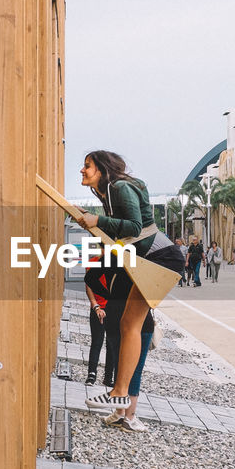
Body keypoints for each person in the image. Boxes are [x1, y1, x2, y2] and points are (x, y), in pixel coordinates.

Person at [76, 150, 185, 433]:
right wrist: (94, 223)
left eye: (87, 166)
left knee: (133, 324)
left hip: (161, 258)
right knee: (128, 324)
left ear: (101, 168)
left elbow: (135, 227)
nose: (82, 170)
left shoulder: (119, 187)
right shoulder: (108, 193)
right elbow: (122, 234)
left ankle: (121, 394)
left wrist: (98, 221)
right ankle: (120, 394)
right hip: (149, 258)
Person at [83, 264, 114, 387]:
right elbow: (89, 286)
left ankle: (108, 377)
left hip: (113, 309)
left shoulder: (118, 263)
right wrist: (96, 306)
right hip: (98, 308)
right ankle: (91, 374)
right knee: (97, 341)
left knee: (111, 343)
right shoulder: (93, 262)